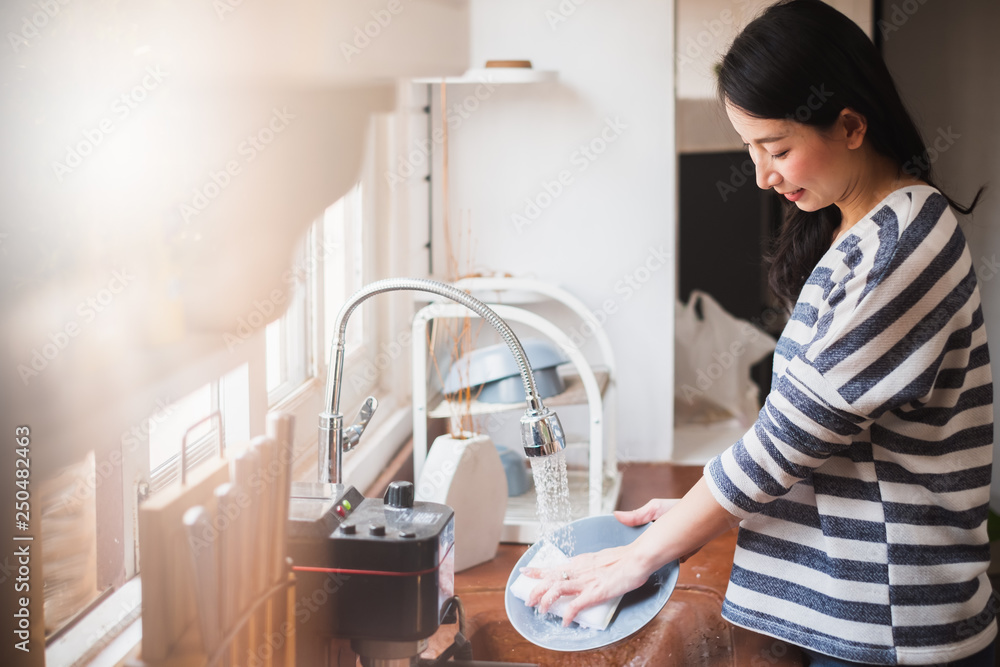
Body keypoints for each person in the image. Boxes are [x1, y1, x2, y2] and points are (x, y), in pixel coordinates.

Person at [520, 1, 996, 665]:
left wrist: (639, 558)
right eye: (751, 148)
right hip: (854, 614)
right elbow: (803, 423)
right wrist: (691, 507)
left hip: (888, 626)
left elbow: (786, 441)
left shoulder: (899, 247)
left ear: (851, 125)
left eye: (776, 149)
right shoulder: (858, 229)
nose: (761, 175)